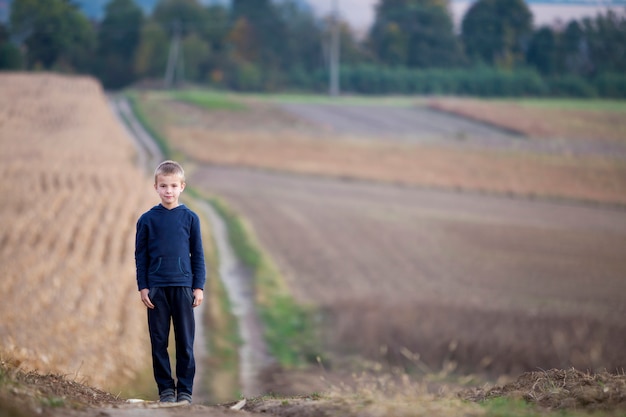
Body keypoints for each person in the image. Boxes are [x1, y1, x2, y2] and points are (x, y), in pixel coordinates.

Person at [135, 160, 206, 404]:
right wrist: (143, 286)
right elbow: (140, 256)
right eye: (163, 186)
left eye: (173, 186)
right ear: (155, 187)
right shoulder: (147, 220)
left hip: (184, 288)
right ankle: (166, 390)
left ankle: (184, 392)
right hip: (156, 290)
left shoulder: (190, 218)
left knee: (185, 343)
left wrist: (198, 287)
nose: (168, 191)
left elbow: (197, 254)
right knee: (158, 342)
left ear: (182, 187)